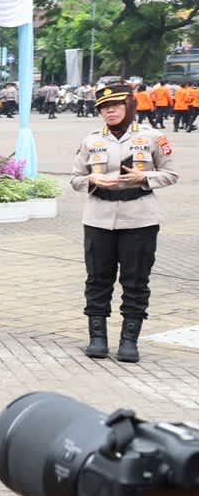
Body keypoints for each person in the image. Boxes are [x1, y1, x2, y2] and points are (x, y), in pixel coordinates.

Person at [69, 83, 179, 363]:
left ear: (129, 106)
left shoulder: (153, 137)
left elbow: (171, 174)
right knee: (97, 279)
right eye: (104, 108)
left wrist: (144, 178)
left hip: (139, 219)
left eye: (115, 106)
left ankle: (129, 340)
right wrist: (91, 179)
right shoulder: (91, 141)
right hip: (98, 218)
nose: (110, 111)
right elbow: (75, 179)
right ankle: (97, 338)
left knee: (136, 280)